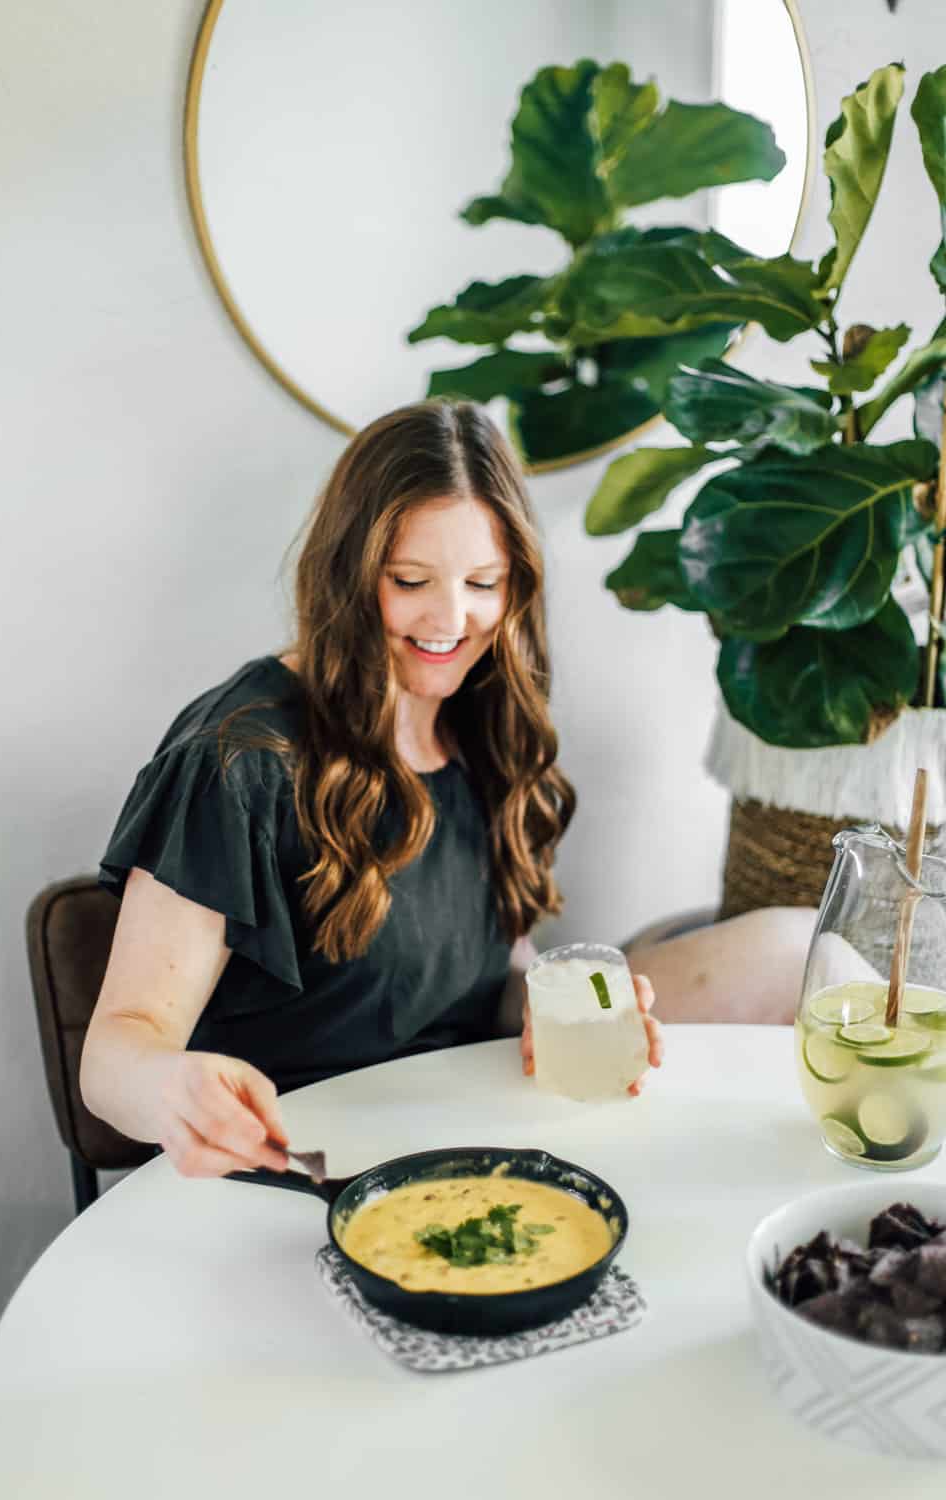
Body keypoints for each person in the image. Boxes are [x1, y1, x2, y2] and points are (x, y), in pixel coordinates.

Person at [80, 399, 806, 1182]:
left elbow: (490, 979)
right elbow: (116, 1052)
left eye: (483, 582)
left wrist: (548, 1009)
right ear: (348, 575)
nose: (451, 619)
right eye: (410, 580)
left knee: (793, 953)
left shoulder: (484, 722)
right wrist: (170, 1087)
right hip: (306, 1171)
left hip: (469, 1142)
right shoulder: (238, 762)